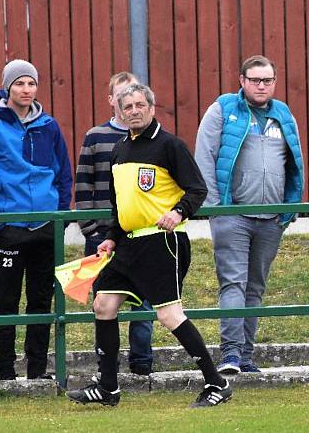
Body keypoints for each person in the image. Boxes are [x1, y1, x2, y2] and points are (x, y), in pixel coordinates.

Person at [66, 83, 231, 408]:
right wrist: (112, 236)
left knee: (169, 316)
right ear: (120, 111)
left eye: (140, 105)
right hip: (127, 245)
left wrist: (178, 211)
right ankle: (108, 388)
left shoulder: (170, 145)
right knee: (103, 305)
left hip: (162, 244)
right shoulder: (119, 150)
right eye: (128, 107)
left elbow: (197, 189)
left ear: (152, 108)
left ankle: (217, 383)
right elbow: (120, 205)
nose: (134, 111)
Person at [194, 55, 304, 374]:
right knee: (233, 284)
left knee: (255, 287)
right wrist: (218, 209)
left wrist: (288, 209)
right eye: (255, 80)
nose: (261, 86)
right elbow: (205, 157)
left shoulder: (283, 114)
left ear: (274, 82)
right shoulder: (224, 109)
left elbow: (293, 161)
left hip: (271, 218)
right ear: (242, 80)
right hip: (233, 215)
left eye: (267, 80)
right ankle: (229, 354)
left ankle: (245, 356)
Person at [0, 59, 72, 381]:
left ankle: (37, 371)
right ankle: (4, 373)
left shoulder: (50, 126)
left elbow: (62, 174)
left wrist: (59, 215)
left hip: (45, 226)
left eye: (31, 83)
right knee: (6, 301)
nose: (26, 89)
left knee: (42, 301)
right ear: (7, 87)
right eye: (19, 83)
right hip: (10, 228)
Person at [75, 71, 155, 376]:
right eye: (123, 98)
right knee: (105, 303)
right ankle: (106, 366)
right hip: (103, 236)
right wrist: (91, 229)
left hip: (141, 234)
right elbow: (83, 184)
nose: (130, 106)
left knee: (144, 302)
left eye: (136, 98)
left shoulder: (153, 141)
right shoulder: (96, 137)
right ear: (113, 101)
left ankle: (141, 363)